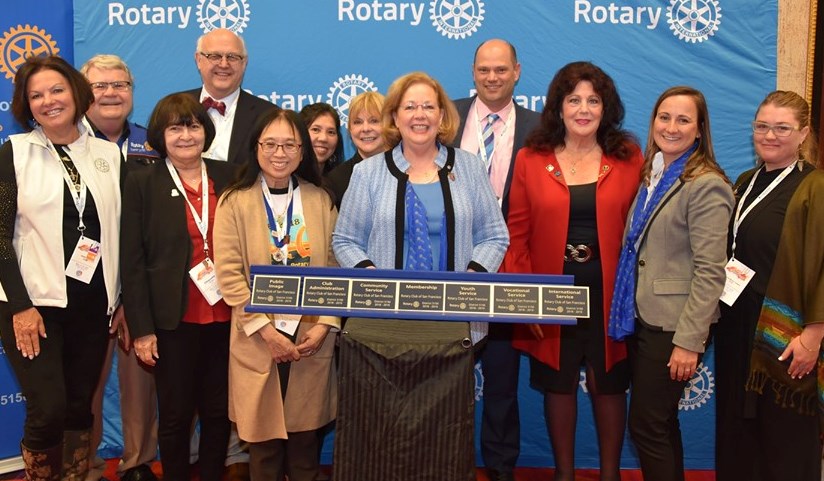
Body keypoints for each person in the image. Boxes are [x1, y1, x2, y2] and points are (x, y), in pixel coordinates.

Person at [332, 71, 509, 481]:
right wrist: (373, 278)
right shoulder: (368, 172)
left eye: (429, 106)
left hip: (452, 327)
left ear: (442, 115)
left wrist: (470, 279)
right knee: (379, 433)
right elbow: (345, 239)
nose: (419, 115)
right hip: (381, 330)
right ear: (395, 116)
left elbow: (494, 235)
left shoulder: (469, 167)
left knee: (443, 435)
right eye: (410, 106)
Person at [503, 61, 642, 481]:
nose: (584, 109)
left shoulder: (628, 157)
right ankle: (564, 474)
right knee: (558, 383)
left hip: (610, 290)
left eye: (593, 100)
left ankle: (610, 474)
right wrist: (528, 298)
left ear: (606, 108)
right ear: (558, 107)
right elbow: (517, 234)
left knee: (609, 383)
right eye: (574, 100)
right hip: (552, 288)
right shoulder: (531, 158)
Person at [0, 55, 122, 481]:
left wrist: (120, 299)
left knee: (77, 406)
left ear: (76, 92)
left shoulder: (108, 154)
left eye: (56, 90)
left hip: (92, 305)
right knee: (48, 409)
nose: (48, 101)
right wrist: (20, 307)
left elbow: (118, 232)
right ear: (26, 105)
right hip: (33, 304)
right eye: (36, 95)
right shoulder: (14, 153)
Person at [609, 86, 734, 481]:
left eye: (683, 120)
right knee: (659, 425)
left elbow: (711, 270)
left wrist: (689, 342)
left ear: (700, 130)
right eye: (664, 118)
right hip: (644, 316)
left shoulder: (706, 183)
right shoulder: (655, 172)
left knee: (647, 426)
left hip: (675, 326)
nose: (671, 127)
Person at [214, 107, 339, 481]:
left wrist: (326, 323)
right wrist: (266, 332)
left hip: (310, 335)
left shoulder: (320, 199)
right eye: (270, 144)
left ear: (302, 151)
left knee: (304, 448)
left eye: (289, 145)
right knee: (263, 449)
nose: (279, 153)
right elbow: (230, 275)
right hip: (257, 335)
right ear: (255, 147)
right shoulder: (234, 201)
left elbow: (335, 268)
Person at [121, 93, 236, 481]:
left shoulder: (229, 176)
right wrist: (142, 329)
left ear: (205, 131)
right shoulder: (142, 182)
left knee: (219, 412)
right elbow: (132, 262)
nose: (186, 135)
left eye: (193, 126)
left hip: (227, 316)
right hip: (173, 321)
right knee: (175, 415)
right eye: (175, 128)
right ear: (160, 135)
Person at [714, 90, 823, 481]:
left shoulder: (815, 186)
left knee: (784, 438)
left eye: (782, 128)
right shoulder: (746, 181)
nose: (769, 135)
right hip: (737, 326)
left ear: (803, 133)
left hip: (785, 335)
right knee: (738, 434)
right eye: (762, 126)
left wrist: (813, 335)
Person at [452, 38, 540, 481]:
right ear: (473, 72)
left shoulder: (540, 129)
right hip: (449, 269)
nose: (492, 77)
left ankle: (502, 469)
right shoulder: (445, 117)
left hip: (509, 269)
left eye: (501, 69)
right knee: (447, 383)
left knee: (503, 384)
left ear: (517, 71)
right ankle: (447, 463)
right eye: (484, 69)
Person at [80, 53, 160, 481]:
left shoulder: (154, 143)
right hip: (84, 286)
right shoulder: (67, 144)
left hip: (139, 284)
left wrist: (133, 294)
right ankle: (85, 464)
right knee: (84, 385)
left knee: (140, 381)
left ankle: (138, 462)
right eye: (100, 86)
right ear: (84, 93)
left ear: (131, 91)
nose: (111, 93)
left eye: (120, 85)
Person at [180, 28, 275, 166]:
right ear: (198, 60)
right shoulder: (173, 109)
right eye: (214, 56)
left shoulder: (268, 116)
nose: (224, 64)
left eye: (232, 57)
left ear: (244, 63)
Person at [326, 91, 385, 208]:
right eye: (358, 122)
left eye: (374, 121)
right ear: (350, 129)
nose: (366, 128)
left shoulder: (407, 172)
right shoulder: (335, 180)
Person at [299, 103, 344, 175]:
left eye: (331, 132)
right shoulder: (287, 179)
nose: (323, 138)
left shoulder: (341, 178)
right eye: (315, 129)